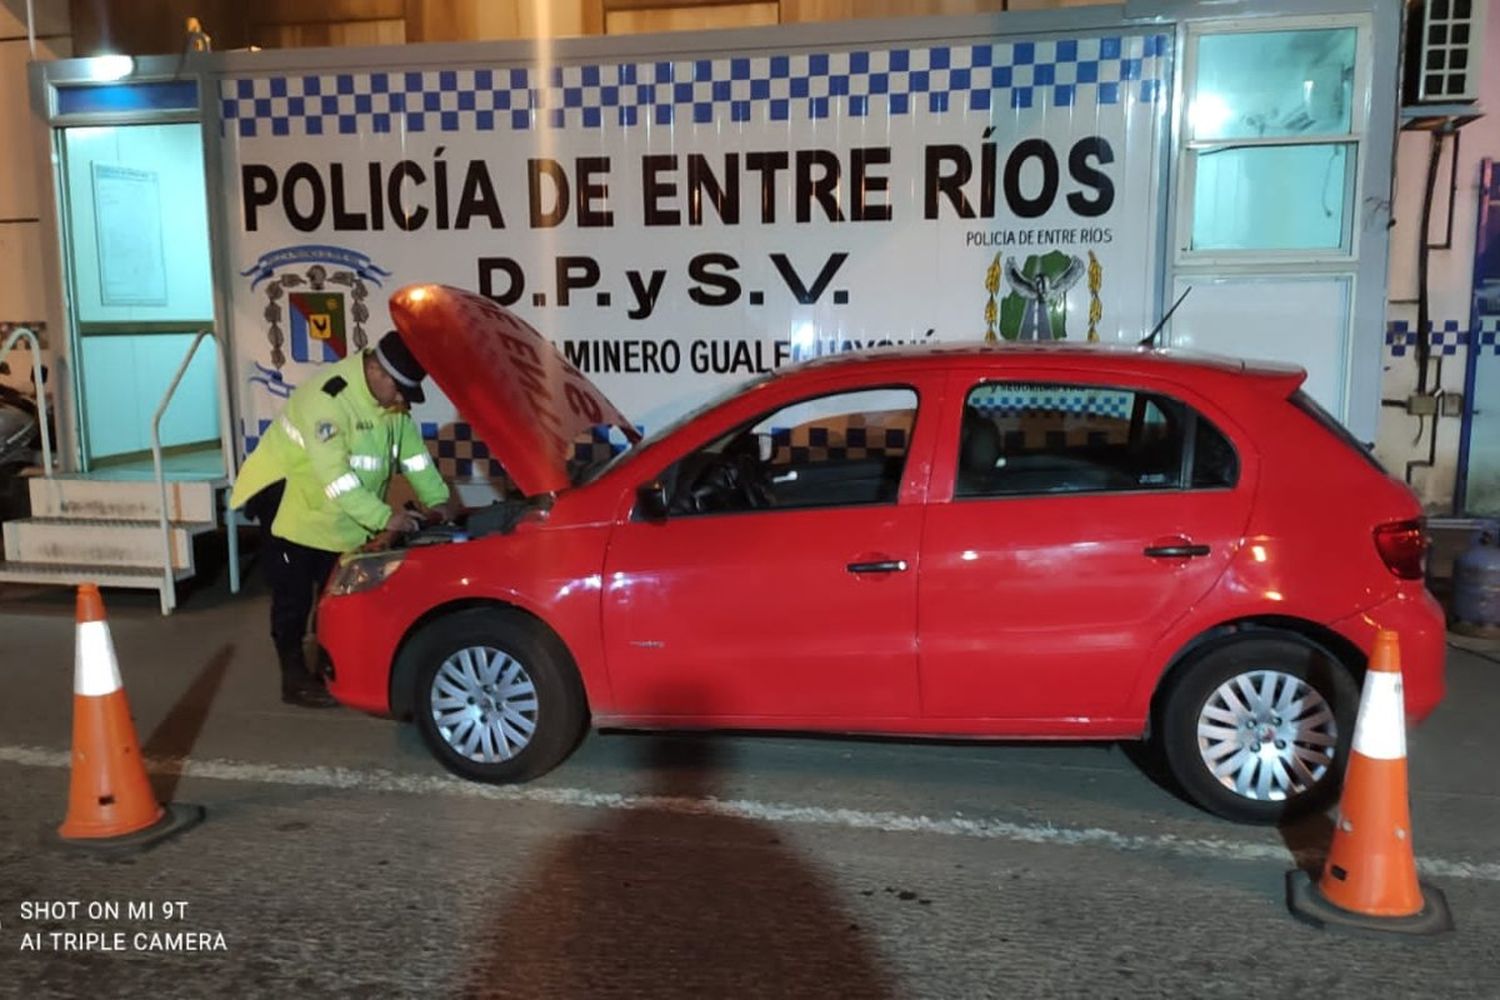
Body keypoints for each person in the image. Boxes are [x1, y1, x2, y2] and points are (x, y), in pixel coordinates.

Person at [231, 331, 453, 708]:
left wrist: (441, 504)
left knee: (335, 593)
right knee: (293, 597)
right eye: (399, 389)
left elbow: (415, 458)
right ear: (376, 370)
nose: (402, 400)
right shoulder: (328, 401)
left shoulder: (389, 406)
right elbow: (336, 478)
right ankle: (293, 677)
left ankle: (328, 668)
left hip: (338, 514)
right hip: (291, 506)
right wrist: (387, 517)